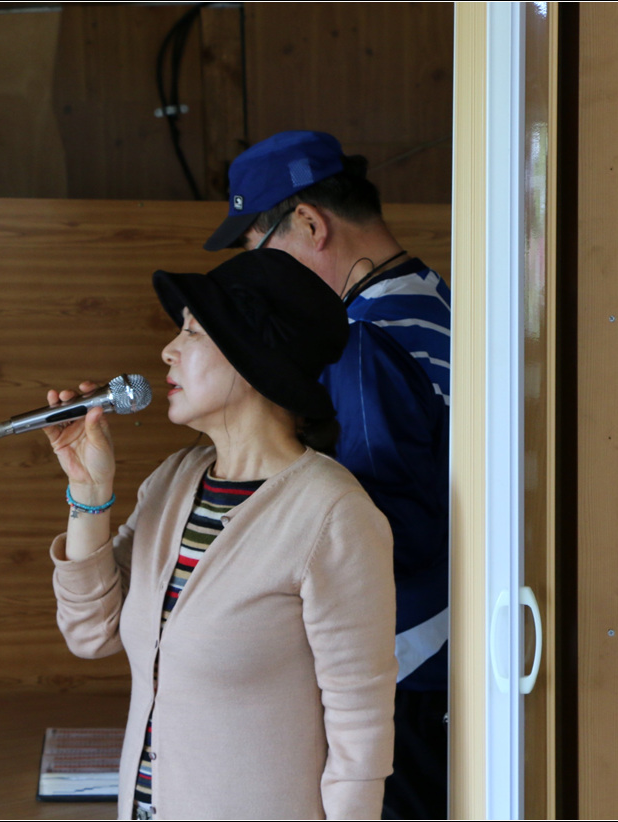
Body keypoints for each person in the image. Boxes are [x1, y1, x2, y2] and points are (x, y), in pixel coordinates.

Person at [44, 249, 398, 820]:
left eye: (193, 331)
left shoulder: (334, 514)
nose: (168, 350)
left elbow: (360, 724)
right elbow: (90, 632)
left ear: (252, 355)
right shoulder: (173, 481)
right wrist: (88, 491)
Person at [205, 130, 451, 819]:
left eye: (257, 250)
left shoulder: (365, 337)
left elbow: (378, 527)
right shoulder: (430, 296)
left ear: (310, 224)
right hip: (452, 646)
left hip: (409, 658)